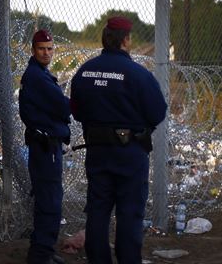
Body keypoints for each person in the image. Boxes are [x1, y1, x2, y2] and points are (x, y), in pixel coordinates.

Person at [70, 16, 167, 264]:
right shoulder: (138, 75)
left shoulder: (84, 72)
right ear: (126, 40)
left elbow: (77, 111)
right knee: (129, 214)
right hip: (130, 153)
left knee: (98, 212)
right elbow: (157, 113)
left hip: (97, 152)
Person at [19, 29, 71, 264]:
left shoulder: (39, 73)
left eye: (49, 49)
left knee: (48, 199)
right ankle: (40, 256)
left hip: (47, 146)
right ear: (33, 50)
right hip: (45, 148)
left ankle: (44, 251)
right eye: (41, 49)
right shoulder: (37, 77)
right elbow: (62, 106)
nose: (46, 53)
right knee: (49, 201)